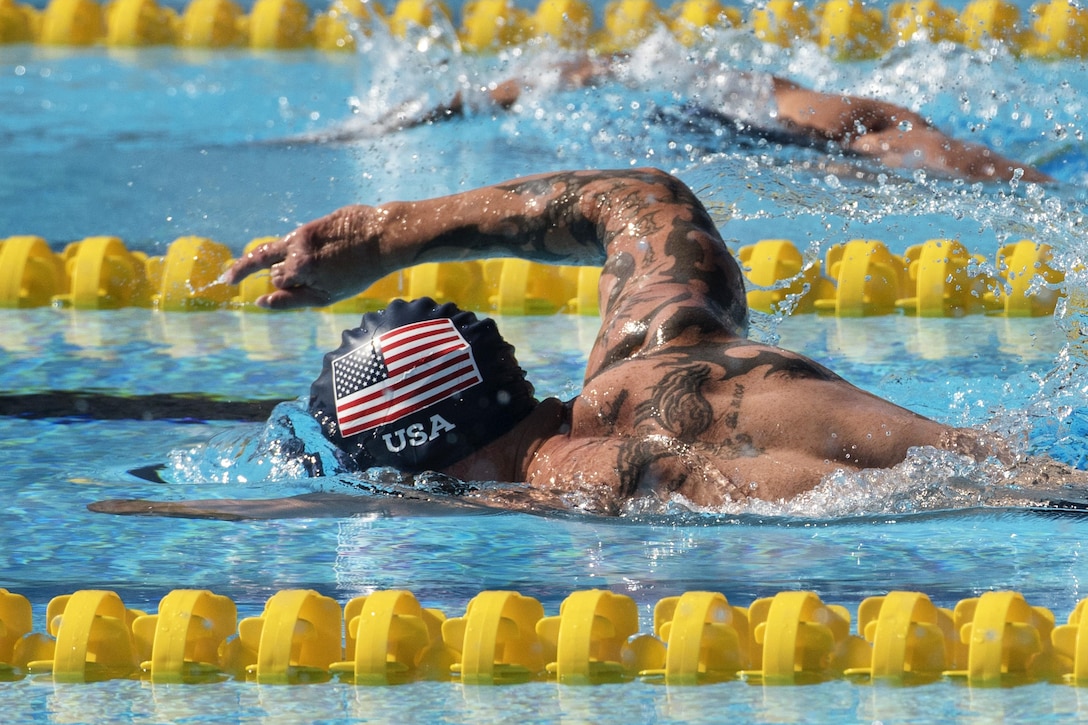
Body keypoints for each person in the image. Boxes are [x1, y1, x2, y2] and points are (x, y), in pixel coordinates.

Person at [90, 167, 1082, 521]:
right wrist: (386, 235)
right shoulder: (644, 345)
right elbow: (642, 200)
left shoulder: (629, 481)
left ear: (425, 471)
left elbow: (1017, 488)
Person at [374, 47, 1053, 184]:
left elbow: (900, 138)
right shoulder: (653, 80)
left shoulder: (784, 111)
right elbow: (573, 69)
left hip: (781, 125)